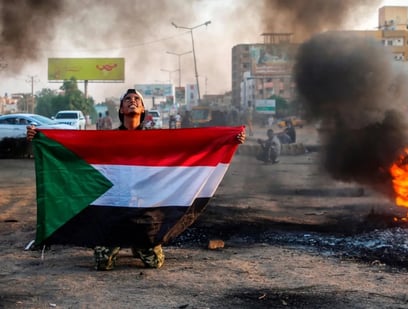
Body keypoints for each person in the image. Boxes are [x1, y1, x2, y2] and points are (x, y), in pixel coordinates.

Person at [27, 88, 246, 271]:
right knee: (103, 265)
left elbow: (193, 145)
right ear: (121, 109)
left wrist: (230, 140)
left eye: (137, 100)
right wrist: (39, 138)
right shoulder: (107, 140)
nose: (132, 101)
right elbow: (73, 149)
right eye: (127, 100)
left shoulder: (155, 140)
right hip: (111, 213)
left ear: (142, 109)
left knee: (154, 263)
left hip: (143, 212)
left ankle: (138, 244)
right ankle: (118, 244)